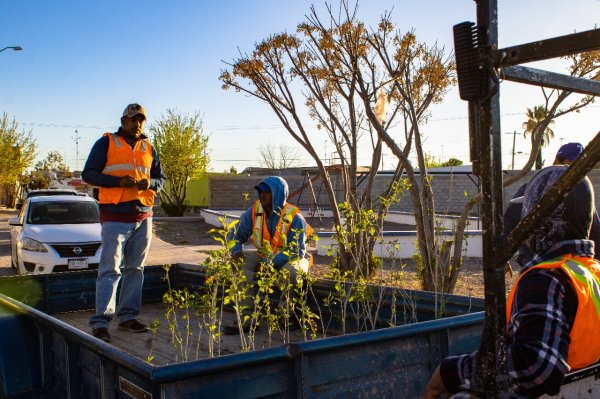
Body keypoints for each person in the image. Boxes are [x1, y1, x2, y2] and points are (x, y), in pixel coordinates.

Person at [424, 165, 600, 398]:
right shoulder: (589, 273)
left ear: (543, 220)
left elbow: (537, 367)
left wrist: (453, 371)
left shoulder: (546, 279)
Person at [82, 103, 166, 343]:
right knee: (110, 270)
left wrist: (148, 184)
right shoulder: (106, 143)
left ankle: (128, 317)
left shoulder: (149, 146)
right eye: (132, 119)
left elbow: (161, 178)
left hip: (143, 216)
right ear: (123, 120)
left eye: (141, 120)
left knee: (135, 270)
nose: (137, 124)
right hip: (115, 217)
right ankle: (101, 322)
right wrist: (119, 182)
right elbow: (88, 175)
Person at [223, 176, 312, 334]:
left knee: (290, 272)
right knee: (240, 266)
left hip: (295, 258)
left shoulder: (294, 217)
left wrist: (268, 263)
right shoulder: (255, 211)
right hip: (265, 256)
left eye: (267, 192)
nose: (261, 195)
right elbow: (235, 235)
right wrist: (236, 251)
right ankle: (247, 320)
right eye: (260, 192)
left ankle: (285, 318)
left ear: (278, 194)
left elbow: (296, 250)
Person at [503, 142, 600, 267]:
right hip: (534, 263)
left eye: (581, 166)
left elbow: (595, 231)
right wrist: (502, 259)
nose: (576, 170)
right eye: (572, 163)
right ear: (557, 161)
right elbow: (509, 222)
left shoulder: (581, 194)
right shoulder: (533, 189)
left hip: (571, 265)